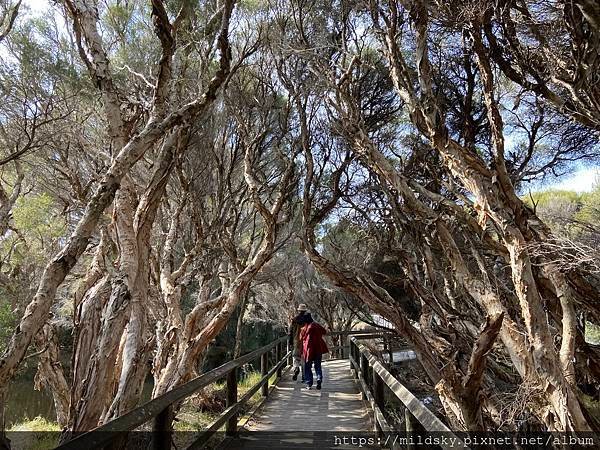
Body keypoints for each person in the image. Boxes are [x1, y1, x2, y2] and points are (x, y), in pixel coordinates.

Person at [299, 315, 329, 390]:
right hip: (318, 348)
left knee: (307, 366)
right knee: (318, 365)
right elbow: (324, 331)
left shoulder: (304, 328)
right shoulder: (317, 325)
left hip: (308, 350)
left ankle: (309, 383)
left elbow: (301, 337)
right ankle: (319, 378)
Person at [288, 304, 311, 382]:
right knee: (304, 360)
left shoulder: (294, 320)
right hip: (305, 342)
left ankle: (296, 368)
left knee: (295, 357)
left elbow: (290, 332)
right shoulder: (308, 320)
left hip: (296, 341)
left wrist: (290, 341)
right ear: (305, 311)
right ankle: (304, 377)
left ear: (299, 310)